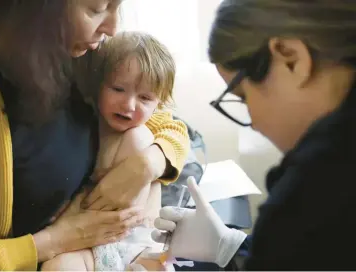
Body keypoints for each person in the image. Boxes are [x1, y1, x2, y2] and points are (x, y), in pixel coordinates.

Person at [0, 0, 191, 271]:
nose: (112, 28)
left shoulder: (85, 58)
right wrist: (55, 241)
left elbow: (167, 124)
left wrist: (145, 166)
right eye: (96, 9)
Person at [152, 0, 356, 270]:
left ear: (291, 59)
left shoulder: (316, 188)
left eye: (243, 97)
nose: (254, 123)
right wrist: (230, 245)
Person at [41, 31, 180, 271]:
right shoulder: (81, 121)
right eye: (118, 89)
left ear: (160, 103)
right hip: (80, 244)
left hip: (131, 244)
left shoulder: (142, 135)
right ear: (97, 86)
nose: (129, 105)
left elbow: (177, 129)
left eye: (145, 97)